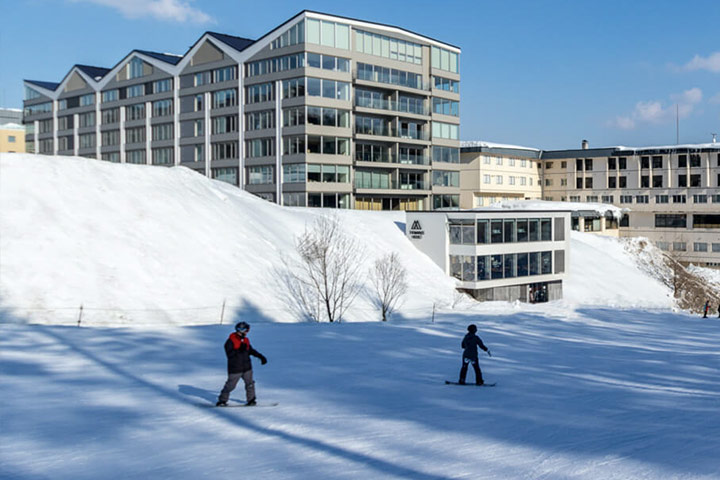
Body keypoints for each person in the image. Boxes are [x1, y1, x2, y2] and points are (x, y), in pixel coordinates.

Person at [216, 321, 267, 407]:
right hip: (235, 368)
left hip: (247, 367)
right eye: (246, 330)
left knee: (250, 384)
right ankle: (222, 401)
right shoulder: (230, 341)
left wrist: (260, 356)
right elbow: (230, 355)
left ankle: (251, 400)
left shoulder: (245, 340)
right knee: (230, 386)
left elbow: (250, 350)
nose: (247, 332)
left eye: (248, 330)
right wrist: (239, 350)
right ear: (240, 330)